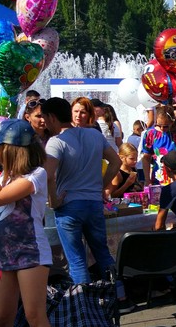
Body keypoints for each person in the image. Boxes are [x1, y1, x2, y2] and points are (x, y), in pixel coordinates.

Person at [0, 119, 61, 327]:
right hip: (3, 254)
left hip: (31, 253)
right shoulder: (3, 177)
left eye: (0, 148)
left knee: (35, 316)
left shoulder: (35, 175)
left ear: (12, 149)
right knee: (1, 316)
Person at [40, 97, 121, 285]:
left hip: (69, 206)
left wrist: (53, 200)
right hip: (93, 204)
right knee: (103, 253)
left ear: (52, 117)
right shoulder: (94, 135)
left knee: (77, 261)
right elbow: (116, 162)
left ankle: (83, 306)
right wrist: (100, 185)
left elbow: (49, 175)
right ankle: (120, 295)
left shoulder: (56, 141)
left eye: (45, 118)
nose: (44, 123)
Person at [142, 107, 176, 186]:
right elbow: (146, 157)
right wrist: (147, 179)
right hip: (159, 176)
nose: (162, 128)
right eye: (159, 125)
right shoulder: (151, 134)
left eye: (166, 126)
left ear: (172, 121)